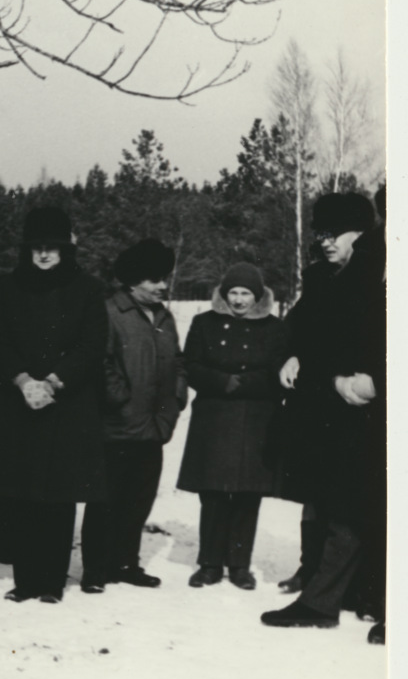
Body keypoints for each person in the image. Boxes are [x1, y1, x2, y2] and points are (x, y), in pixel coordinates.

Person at [0, 207, 108, 603]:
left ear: (66, 248)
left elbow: (92, 345)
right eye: (37, 247)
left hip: (67, 402)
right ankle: (26, 581)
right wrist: (23, 380)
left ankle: (52, 582)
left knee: (59, 496)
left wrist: (53, 382)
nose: (45, 255)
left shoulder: (88, 289)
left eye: (53, 247)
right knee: (21, 493)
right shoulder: (3, 288)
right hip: (19, 403)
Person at [263, 192, 385, 635]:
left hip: (374, 407)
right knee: (343, 505)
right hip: (338, 410)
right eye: (321, 235)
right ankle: (325, 599)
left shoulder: (377, 273)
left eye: (335, 234)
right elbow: (300, 328)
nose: (326, 243)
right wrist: (293, 354)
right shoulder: (322, 277)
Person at [79, 238, 187, 592]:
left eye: (164, 279)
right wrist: (119, 400)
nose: (162, 286)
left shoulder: (165, 317)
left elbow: (178, 362)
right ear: (132, 281)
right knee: (105, 500)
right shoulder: (110, 311)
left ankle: (126, 563)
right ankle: (96, 569)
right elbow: (100, 361)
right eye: (154, 280)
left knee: (138, 501)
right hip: (118, 426)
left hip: (155, 426)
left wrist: (178, 396)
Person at [175, 262, 287, 590]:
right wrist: (222, 382)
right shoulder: (203, 322)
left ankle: (239, 566)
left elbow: (277, 373)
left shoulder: (275, 328)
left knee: (247, 495)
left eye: (246, 293)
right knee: (212, 494)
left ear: (258, 295)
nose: (238, 300)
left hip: (256, 421)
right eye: (233, 293)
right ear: (224, 294)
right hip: (214, 417)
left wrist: (243, 384)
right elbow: (190, 365)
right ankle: (209, 564)